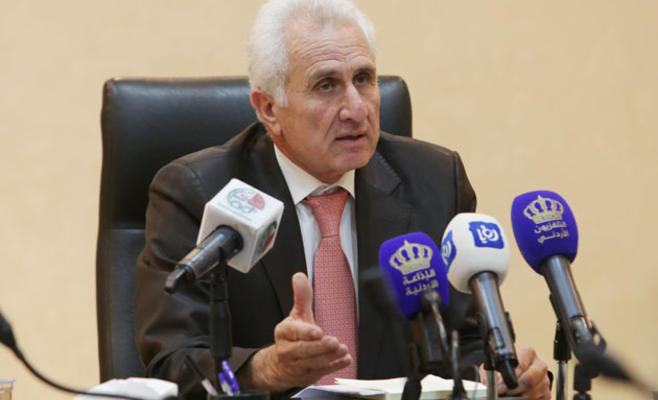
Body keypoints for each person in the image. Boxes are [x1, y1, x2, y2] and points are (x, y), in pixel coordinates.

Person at [134, 0, 551, 399]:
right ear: (269, 108)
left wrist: (502, 377)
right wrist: (266, 369)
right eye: (326, 85)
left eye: (364, 79)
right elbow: (173, 362)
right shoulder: (199, 193)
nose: (355, 108)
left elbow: (467, 340)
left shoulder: (435, 181)